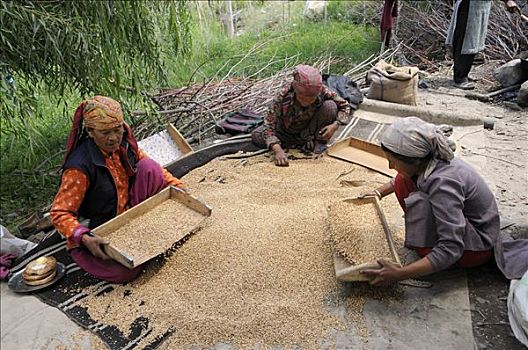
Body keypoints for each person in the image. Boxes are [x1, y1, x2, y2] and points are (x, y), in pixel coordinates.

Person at [361, 117, 528, 285]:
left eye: (393, 161)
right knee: (401, 180)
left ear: (415, 160)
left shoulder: (443, 184)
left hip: (475, 249)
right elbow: (400, 176)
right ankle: (426, 246)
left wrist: (400, 274)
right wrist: (377, 192)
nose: (390, 166)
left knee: (417, 198)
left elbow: (451, 248)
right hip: (463, 225)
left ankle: (431, 254)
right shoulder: (429, 160)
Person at [50, 96, 186, 283]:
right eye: (105, 132)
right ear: (90, 131)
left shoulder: (125, 144)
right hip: (100, 227)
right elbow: (59, 212)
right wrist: (84, 238)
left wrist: (178, 187)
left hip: (129, 211)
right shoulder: (79, 167)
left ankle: (140, 228)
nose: (113, 138)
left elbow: (153, 168)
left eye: (117, 130)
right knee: (126, 271)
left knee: (149, 167)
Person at [251, 64, 350, 167]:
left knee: (330, 106)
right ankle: (298, 143)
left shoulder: (323, 91)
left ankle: (315, 141)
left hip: (309, 129)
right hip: (286, 131)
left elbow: (345, 106)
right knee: (257, 135)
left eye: (312, 98)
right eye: (303, 98)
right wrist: (277, 150)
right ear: (295, 91)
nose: (308, 102)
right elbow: (269, 126)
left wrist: (335, 125)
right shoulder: (282, 96)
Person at [446, 0, 519, 90]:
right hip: (469, 5)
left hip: (479, 6)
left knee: (473, 41)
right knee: (466, 41)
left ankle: (463, 74)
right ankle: (460, 78)